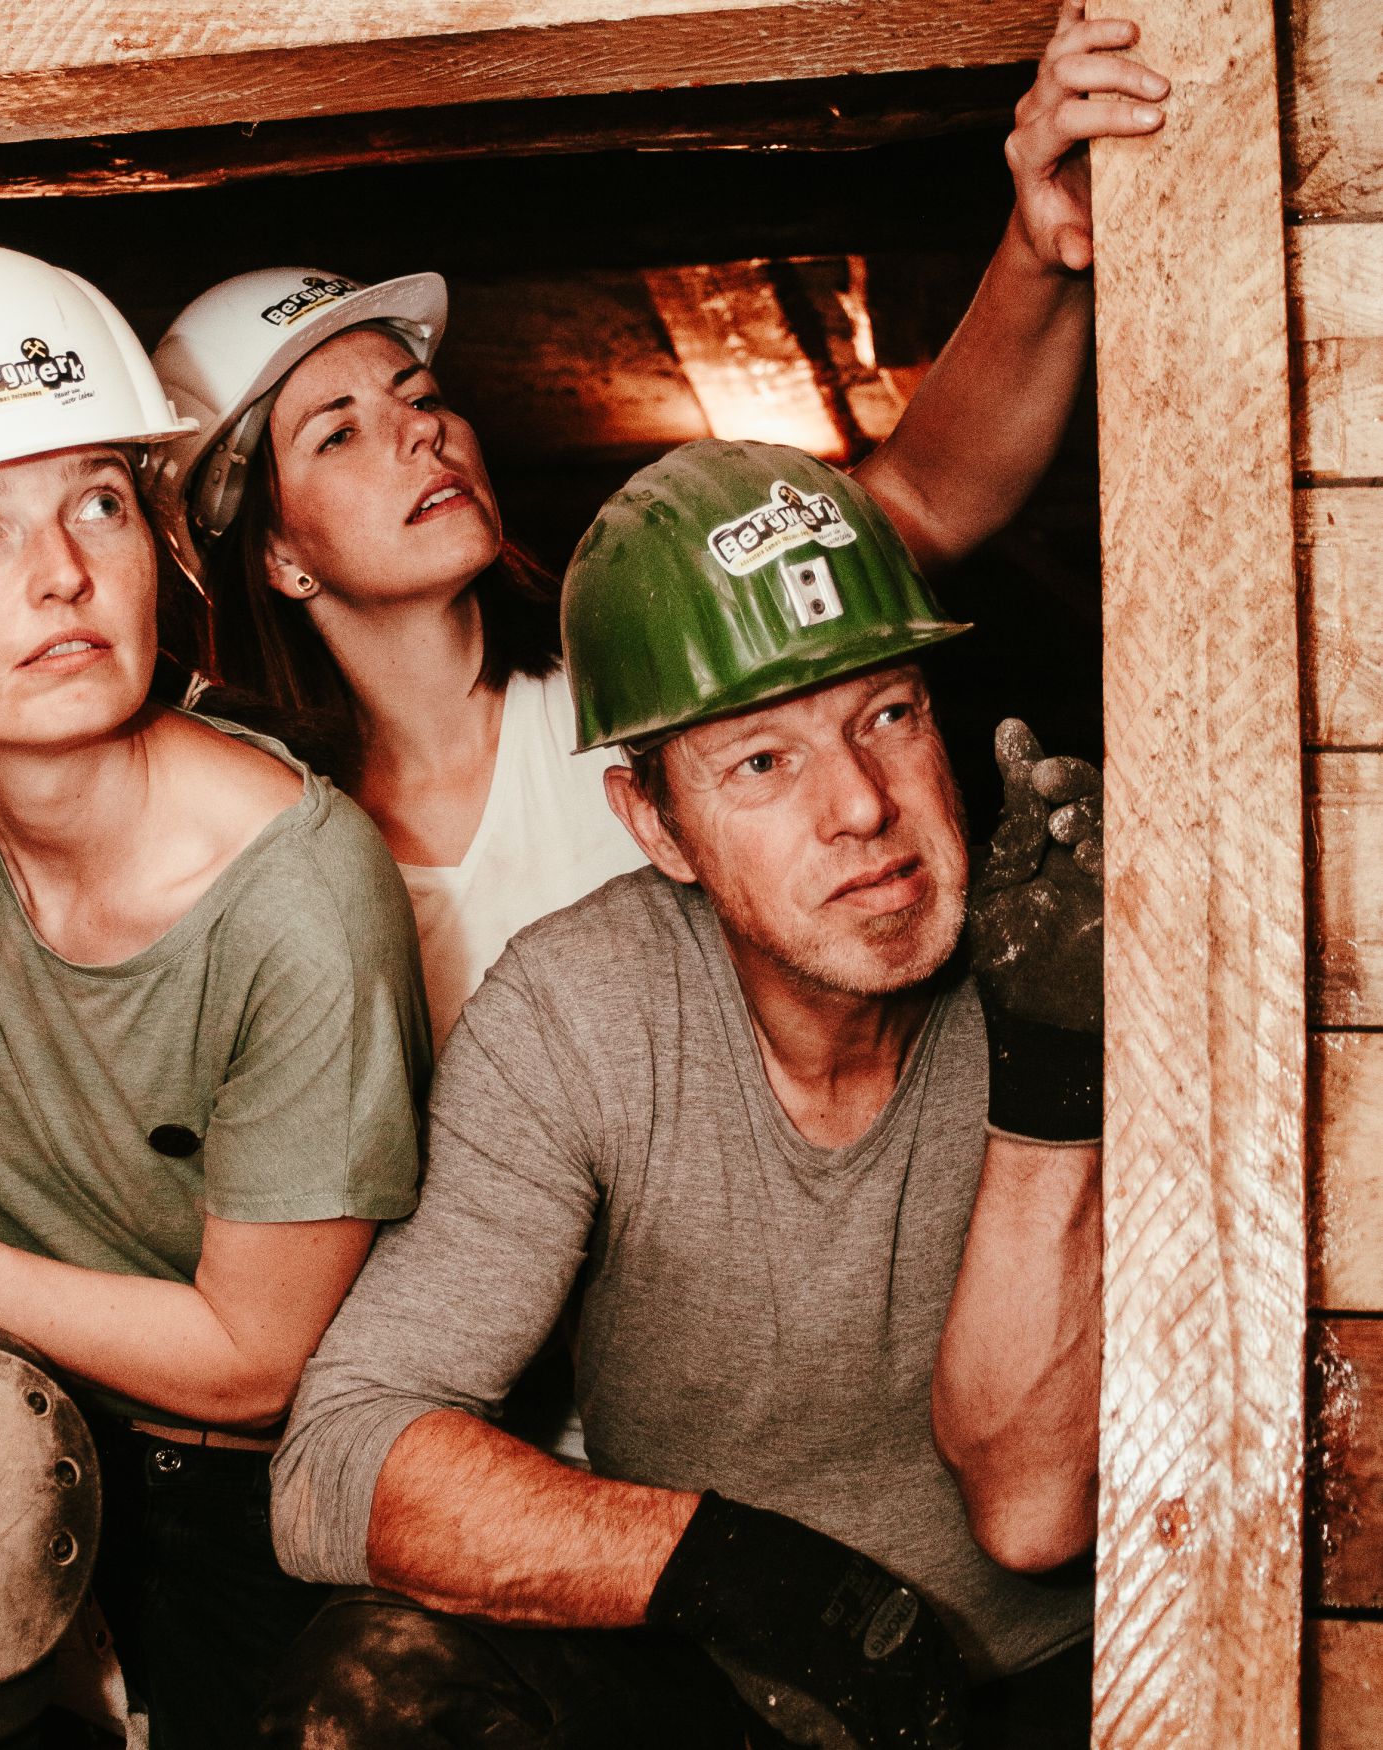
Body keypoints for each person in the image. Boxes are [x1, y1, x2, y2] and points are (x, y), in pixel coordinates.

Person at [263, 440, 1105, 1749]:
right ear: (653, 824)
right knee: (377, 1682)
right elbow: (337, 1460)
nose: (860, 806)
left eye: (887, 714)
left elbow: (1031, 1513)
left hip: (1055, 1686)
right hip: (720, 1689)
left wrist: (1058, 1062)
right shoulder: (580, 1010)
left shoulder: (1065, 951)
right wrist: (750, 1576)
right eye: (760, 761)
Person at [0, 241, 432, 1748]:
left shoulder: (301, 894)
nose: (63, 572)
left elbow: (255, 1362)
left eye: (99, 501)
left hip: (253, 1479)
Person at [144, 0, 1163, 1052]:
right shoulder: (264, 835)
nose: (419, 431)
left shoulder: (639, 658)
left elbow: (927, 497)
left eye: (421, 394)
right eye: (338, 433)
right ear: (276, 553)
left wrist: (1038, 248)